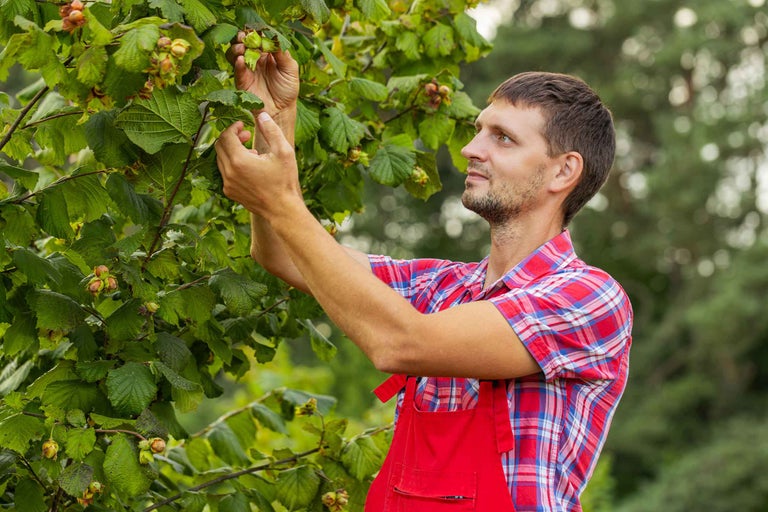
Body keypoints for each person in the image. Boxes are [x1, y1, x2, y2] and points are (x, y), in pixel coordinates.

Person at [216, 36, 632, 511]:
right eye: (479, 130)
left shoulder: (588, 298)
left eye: (503, 138)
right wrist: (273, 121)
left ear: (563, 172)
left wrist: (282, 201)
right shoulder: (440, 286)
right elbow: (285, 254)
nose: (472, 149)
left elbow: (402, 343)